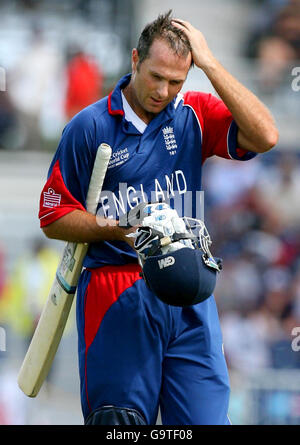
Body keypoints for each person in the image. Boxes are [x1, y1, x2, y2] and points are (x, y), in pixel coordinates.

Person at [38, 11, 278, 425]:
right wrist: (122, 228)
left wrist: (210, 64)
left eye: (176, 81)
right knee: (120, 426)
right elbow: (53, 215)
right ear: (135, 60)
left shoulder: (194, 114)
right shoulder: (89, 126)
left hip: (191, 292)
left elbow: (265, 135)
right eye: (156, 76)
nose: (163, 91)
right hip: (117, 292)